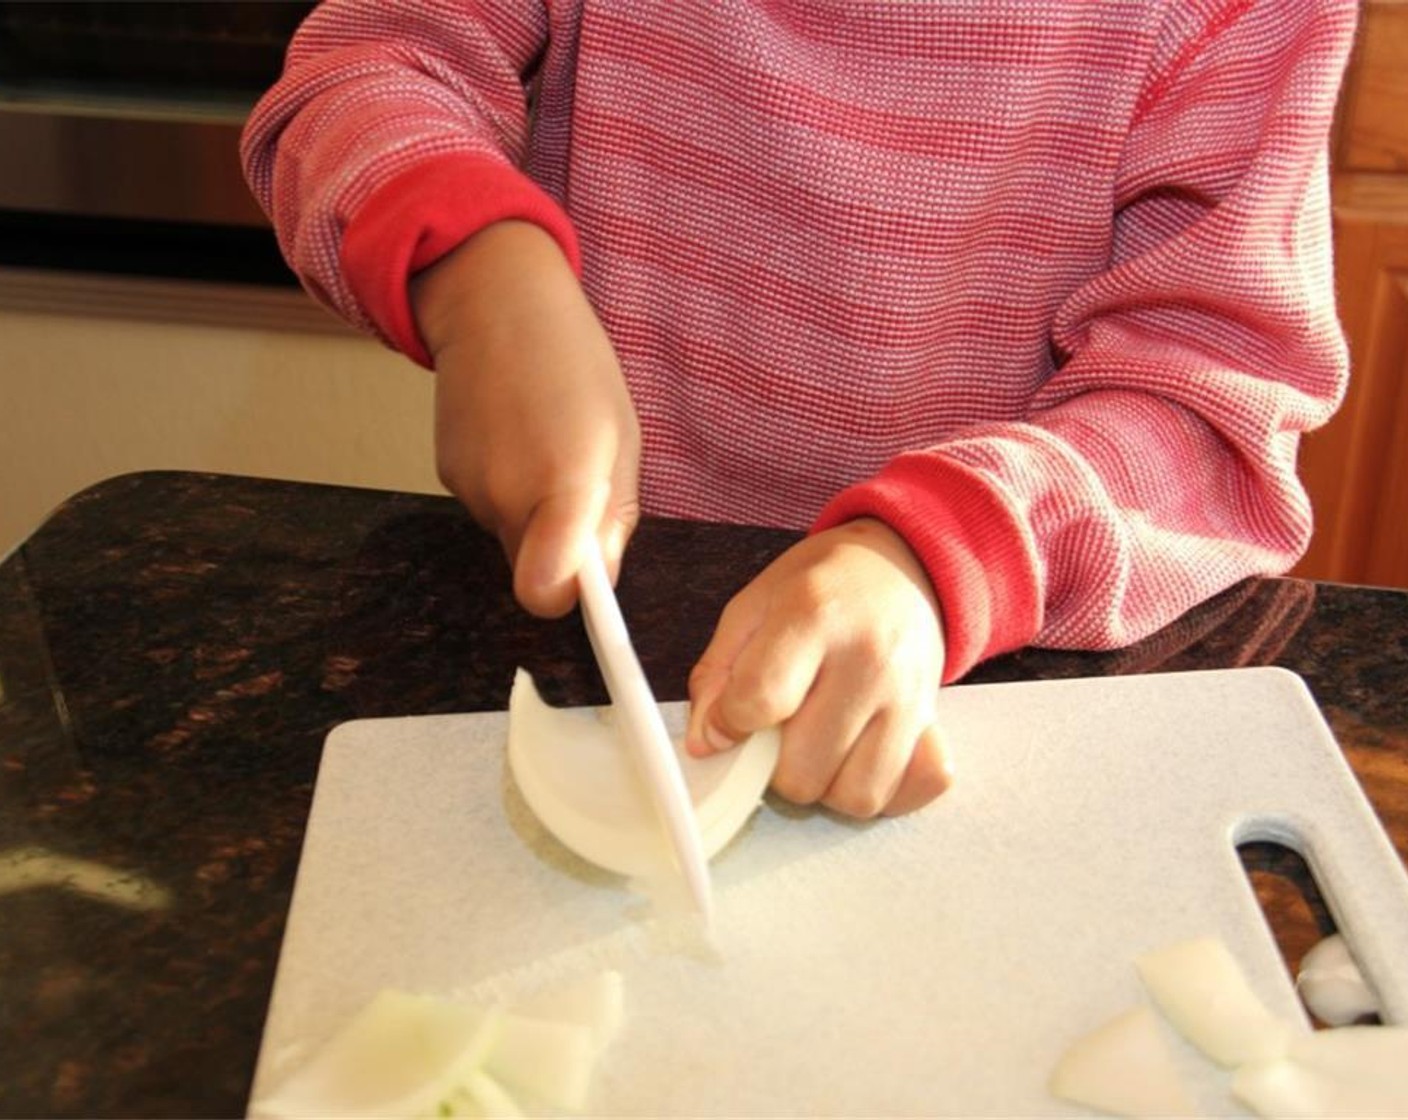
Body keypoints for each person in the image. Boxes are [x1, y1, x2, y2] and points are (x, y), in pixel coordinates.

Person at [242, 1, 1357, 820]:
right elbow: (371, 66)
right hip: (608, 642)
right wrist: (481, 279)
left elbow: (1206, 410)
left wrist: (939, 552)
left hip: (990, 687)